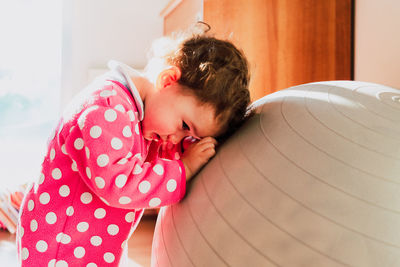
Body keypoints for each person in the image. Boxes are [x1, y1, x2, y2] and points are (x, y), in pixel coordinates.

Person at [16, 24, 251, 266]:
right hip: (59, 245)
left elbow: (161, 151)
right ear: (168, 81)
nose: (177, 138)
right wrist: (185, 169)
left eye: (191, 136)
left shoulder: (142, 117)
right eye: (184, 125)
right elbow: (118, 184)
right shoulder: (106, 109)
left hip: (86, 244)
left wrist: (188, 150)